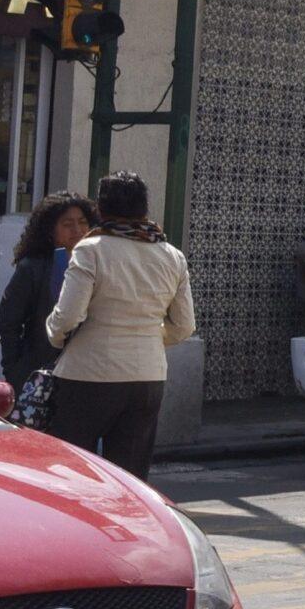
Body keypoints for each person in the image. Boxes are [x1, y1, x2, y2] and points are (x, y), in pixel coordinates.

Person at [43, 173, 194, 479]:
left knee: (72, 473)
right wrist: (149, 338)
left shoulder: (90, 249)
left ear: (101, 208)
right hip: (148, 378)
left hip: (87, 375)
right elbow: (184, 325)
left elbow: (68, 316)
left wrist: (55, 336)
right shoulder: (172, 256)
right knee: (129, 480)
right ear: (144, 209)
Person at [0, 192, 94, 391]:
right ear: (50, 230)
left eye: (83, 222)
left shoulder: (99, 265)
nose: (77, 230)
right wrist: (14, 371)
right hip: (39, 377)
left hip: (87, 377)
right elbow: (9, 321)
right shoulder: (33, 268)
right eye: (68, 224)